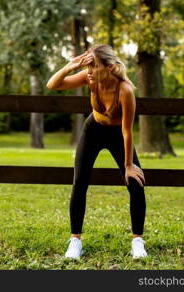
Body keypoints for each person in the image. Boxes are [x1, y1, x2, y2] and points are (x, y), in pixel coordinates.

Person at [46, 44, 147, 260]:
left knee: (136, 183)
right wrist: (69, 66)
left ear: (109, 67)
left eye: (94, 65)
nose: (89, 69)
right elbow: (52, 85)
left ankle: (137, 241)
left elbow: (128, 132)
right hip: (93, 129)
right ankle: (75, 241)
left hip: (118, 133)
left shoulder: (125, 90)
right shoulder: (90, 78)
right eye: (88, 65)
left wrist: (129, 166)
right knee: (79, 181)